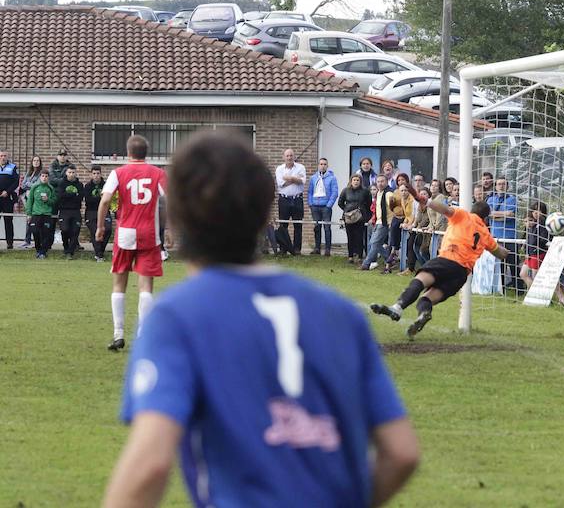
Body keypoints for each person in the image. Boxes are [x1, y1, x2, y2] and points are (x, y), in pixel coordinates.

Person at [103, 131, 418, 508]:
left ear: (177, 215)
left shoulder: (177, 317)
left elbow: (150, 467)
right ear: (264, 211)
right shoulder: (343, 314)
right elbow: (401, 452)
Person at [370, 192, 510, 339]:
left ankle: (398, 308)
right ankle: (423, 314)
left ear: (472, 211)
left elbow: (445, 210)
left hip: (447, 260)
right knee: (427, 299)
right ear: (485, 218)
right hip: (461, 274)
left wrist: (427, 201)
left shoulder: (463, 215)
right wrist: (505, 251)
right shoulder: (485, 234)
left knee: (419, 281)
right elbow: (500, 253)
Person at [96, 135, 168, 352]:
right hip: (149, 233)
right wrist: (170, 228)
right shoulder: (158, 173)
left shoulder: (118, 173)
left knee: (119, 284)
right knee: (145, 287)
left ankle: (118, 334)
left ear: (128, 152)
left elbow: (106, 199)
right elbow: (170, 200)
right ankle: (143, 335)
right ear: (147, 153)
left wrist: (100, 226)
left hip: (125, 233)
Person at [519, 200, 564, 304]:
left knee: (544, 278)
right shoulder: (531, 223)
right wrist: (525, 248)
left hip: (539, 253)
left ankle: (561, 298)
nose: (536, 212)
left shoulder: (546, 223)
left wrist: (538, 222)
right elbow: (528, 238)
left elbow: (543, 239)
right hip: (530, 254)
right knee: (523, 274)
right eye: (534, 210)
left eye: (539, 210)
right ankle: (536, 295)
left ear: (543, 212)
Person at [487, 177, 520, 292]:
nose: (501, 186)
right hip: (495, 237)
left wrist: (496, 215)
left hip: (510, 237)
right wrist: (503, 214)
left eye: (503, 184)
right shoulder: (490, 200)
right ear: (495, 186)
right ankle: (501, 289)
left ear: (507, 186)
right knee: (498, 265)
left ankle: (519, 289)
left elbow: (511, 214)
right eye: (499, 184)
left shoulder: (512, 199)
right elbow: (488, 214)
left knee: (513, 264)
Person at [274, 149, 306, 256]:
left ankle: (297, 249)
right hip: (284, 199)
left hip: (297, 199)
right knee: (283, 225)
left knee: (298, 225)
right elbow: (280, 184)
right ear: (284, 157)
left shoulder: (301, 167)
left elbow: (302, 181)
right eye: (287, 156)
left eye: (291, 155)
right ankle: (284, 248)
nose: (289, 157)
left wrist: (289, 178)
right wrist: (295, 179)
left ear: (294, 156)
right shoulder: (279, 169)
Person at [360, 175, 394, 271]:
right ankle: (389, 259)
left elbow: (394, 208)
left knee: (374, 242)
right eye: (378, 181)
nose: (380, 183)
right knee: (375, 243)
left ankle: (366, 264)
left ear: (387, 182)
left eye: (382, 181)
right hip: (378, 221)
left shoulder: (388, 193)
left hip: (386, 222)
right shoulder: (379, 192)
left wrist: (391, 221)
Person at [307, 157, 339, 256]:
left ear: (327, 166)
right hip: (315, 206)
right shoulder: (313, 178)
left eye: (325, 164)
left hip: (326, 206)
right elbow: (310, 192)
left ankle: (327, 249)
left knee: (327, 228)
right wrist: (311, 204)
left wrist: (329, 205)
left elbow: (334, 192)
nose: (323, 166)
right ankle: (317, 248)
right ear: (318, 165)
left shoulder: (332, 178)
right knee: (317, 227)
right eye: (321, 164)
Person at [338, 173, 372, 264]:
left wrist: (363, 212)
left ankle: (360, 256)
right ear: (351, 181)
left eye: (357, 180)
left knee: (359, 237)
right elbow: (340, 202)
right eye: (354, 180)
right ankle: (350, 256)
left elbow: (369, 203)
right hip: (348, 217)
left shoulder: (365, 191)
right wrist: (347, 210)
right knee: (350, 237)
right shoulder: (345, 190)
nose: (356, 182)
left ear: (360, 182)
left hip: (360, 217)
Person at [24, 169, 55, 259]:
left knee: (46, 233)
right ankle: (38, 249)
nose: (44, 178)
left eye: (46, 176)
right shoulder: (34, 187)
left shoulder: (50, 188)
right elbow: (30, 201)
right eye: (43, 176)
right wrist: (29, 213)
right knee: (35, 231)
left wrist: (48, 200)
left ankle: (43, 252)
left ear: (48, 178)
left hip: (46, 214)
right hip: (36, 214)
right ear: (40, 177)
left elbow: (54, 201)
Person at [84, 165, 112, 262]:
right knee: (95, 230)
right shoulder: (87, 186)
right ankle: (99, 255)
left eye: (98, 173)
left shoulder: (106, 185)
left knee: (108, 229)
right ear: (91, 175)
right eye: (94, 174)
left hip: (105, 211)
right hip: (91, 211)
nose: (96, 176)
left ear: (101, 174)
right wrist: (101, 199)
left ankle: (100, 251)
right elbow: (88, 201)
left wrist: (102, 200)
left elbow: (108, 200)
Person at [56, 165, 85, 259]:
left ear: (75, 173)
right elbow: (60, 196)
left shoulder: (79, 185)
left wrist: (68, 195)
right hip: (64, 210)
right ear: (66, 173)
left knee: (75, 231)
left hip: (76, 210)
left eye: (73, 172)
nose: (71, 174)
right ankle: (65, 247)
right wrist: (73, 194)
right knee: (64, 230)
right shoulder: (62, 183)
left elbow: (80, 197)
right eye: (69, 172)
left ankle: (70, 252)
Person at [17, 156, 42, 249]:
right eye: (34, 161)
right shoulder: (29, 172)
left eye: (38, 161)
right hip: (27, 199)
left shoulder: (41, 173)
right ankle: (27, 240)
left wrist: (28, 184)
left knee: (34, 219)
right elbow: (23, 185)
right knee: (28, 218)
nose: (36, 162)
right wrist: (29, 185)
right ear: (32, 162)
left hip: (36, 200)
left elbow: (38, 185)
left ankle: (37, 241)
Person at [0, 149, 18, 250]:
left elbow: (16, 182)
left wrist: (7, 191)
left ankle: (9, 243)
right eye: (1, 156)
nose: (3, 158)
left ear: (8, 157)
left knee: (8, 221)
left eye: (5, 156)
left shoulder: (13, 167)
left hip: (7, 197)